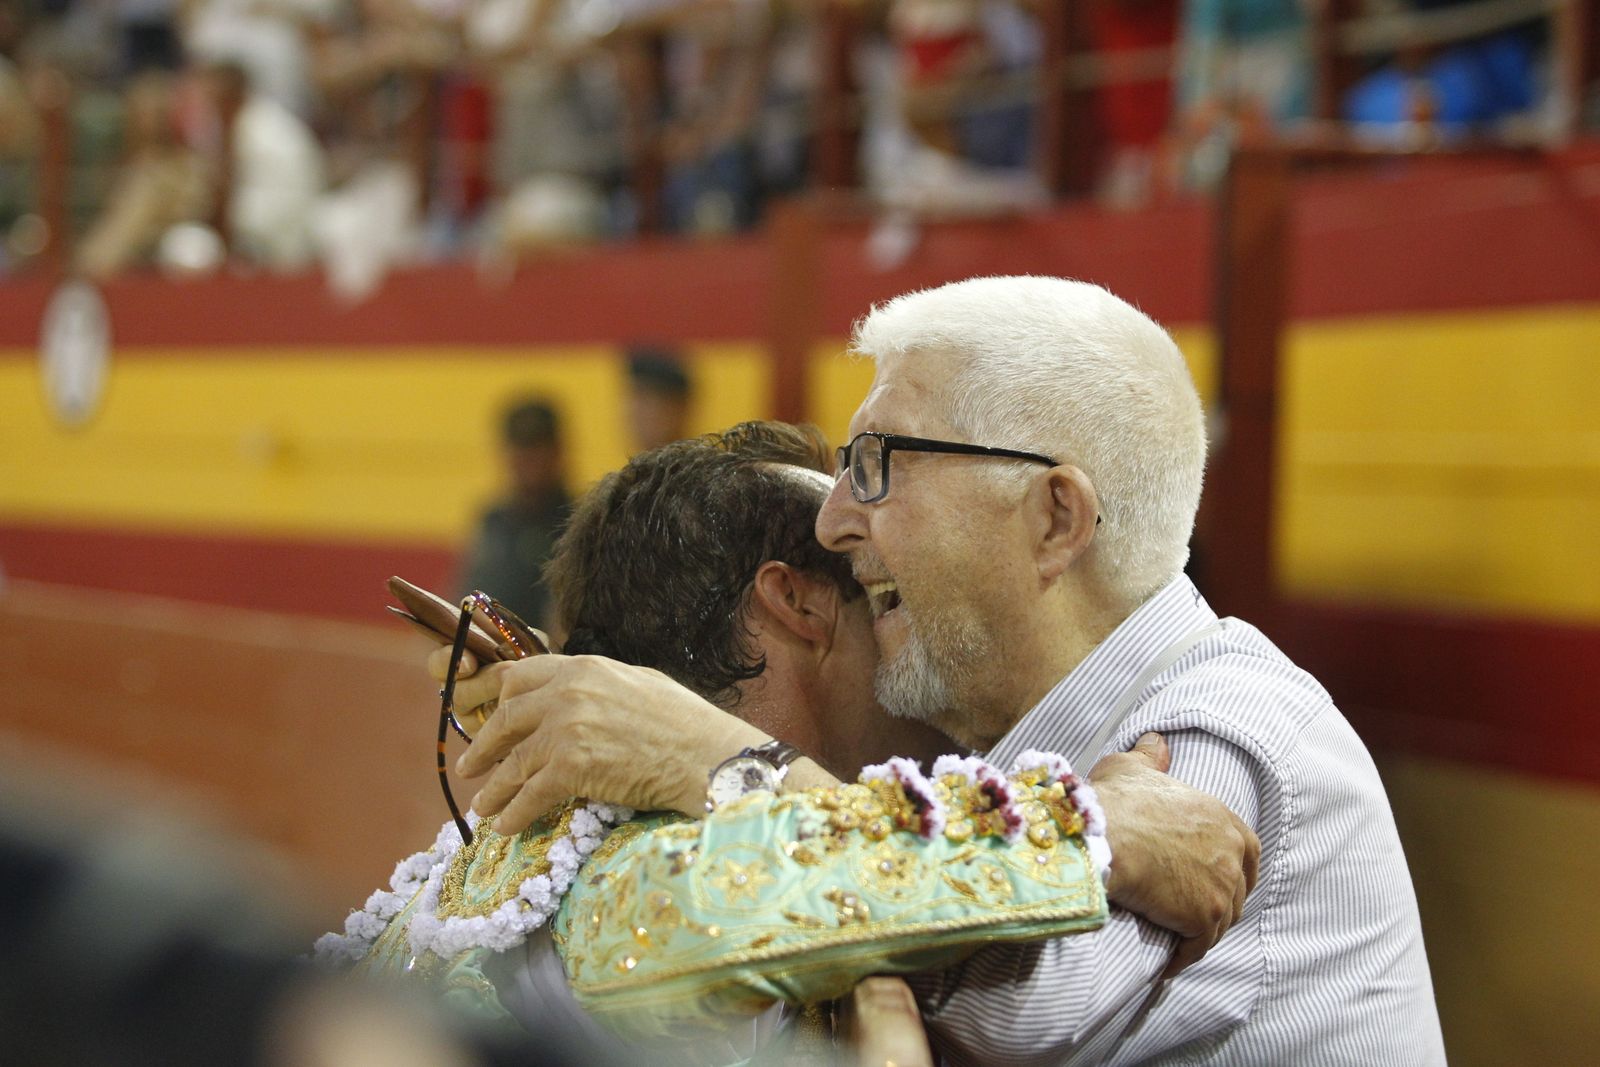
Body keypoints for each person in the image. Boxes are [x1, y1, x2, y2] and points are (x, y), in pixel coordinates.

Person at [443, 277, 1446, 1063]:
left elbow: (1031, 1002)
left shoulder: (1225, 717)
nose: (839, 516)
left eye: (879, 461)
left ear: (1054, 517)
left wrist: (722, 761)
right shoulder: (1013, 743)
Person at [333, 421, 1258, 1057]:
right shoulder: (638, 850)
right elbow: (778, 883)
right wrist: (1104, 827)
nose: (910, 646)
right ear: (803, 604)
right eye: (880, 597)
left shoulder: (556, 832)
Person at [458, 397, 572, 634]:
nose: (527, 460)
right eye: (520, 447)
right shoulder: (493, 520)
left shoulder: (577, 522)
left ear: (558, 450)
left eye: (536, 447)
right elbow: (465, 591)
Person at [624, 346, 692, 452]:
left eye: (646, 398)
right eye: (633, 397)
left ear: (679, 407)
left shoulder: (708, 466)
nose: (635, 411)